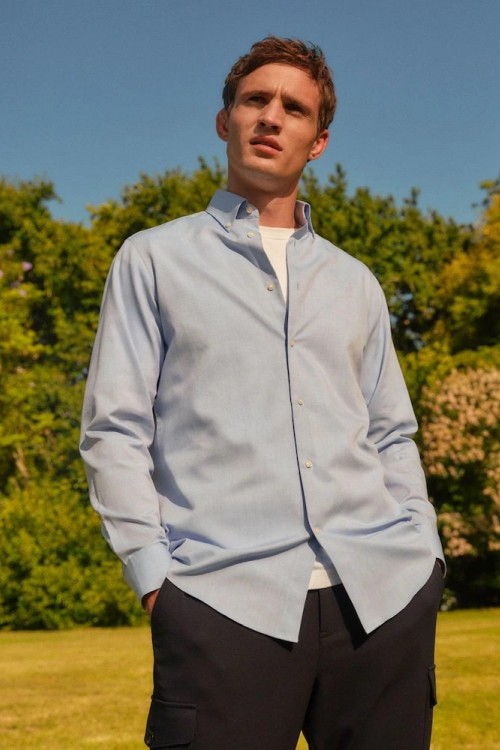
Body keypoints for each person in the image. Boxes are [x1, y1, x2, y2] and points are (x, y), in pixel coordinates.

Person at [80, 36, 445, 750]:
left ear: (318, 141)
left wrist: (422, 549)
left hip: (381, 597)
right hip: (220, 601)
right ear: (226, 121)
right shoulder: (152, 259)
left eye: (294, 108)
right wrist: (156, 581)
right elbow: (115, 430)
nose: (272, 116)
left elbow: (390, 433)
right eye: (256, 100)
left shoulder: (356, 283)